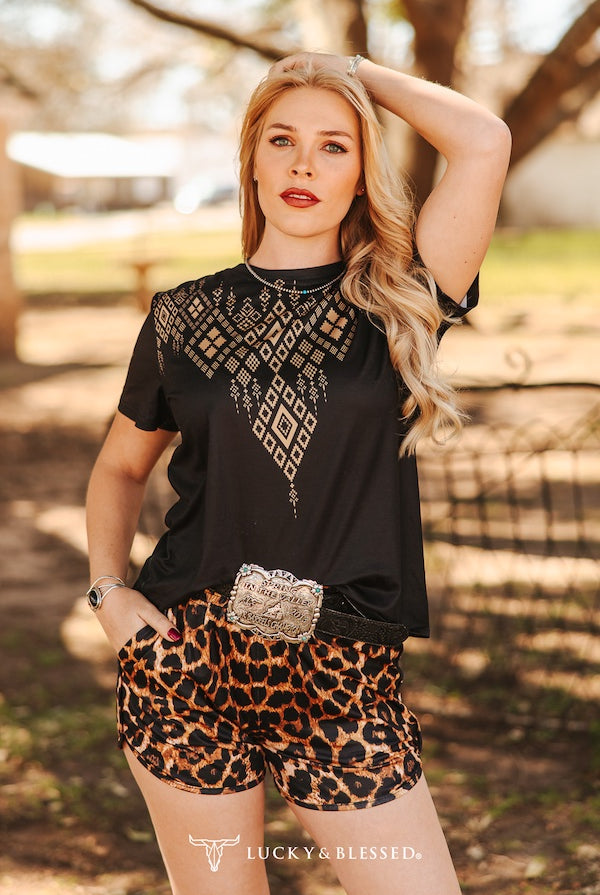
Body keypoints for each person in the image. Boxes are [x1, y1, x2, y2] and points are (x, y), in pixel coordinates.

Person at [85, 51, 511, 895]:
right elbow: (120, 467)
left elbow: (483, 140)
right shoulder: (181, 316)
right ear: (251, 159)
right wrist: (109, 592)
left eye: (333, 146)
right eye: (281, 140)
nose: (303, 165)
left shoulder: (402, 297)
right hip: (187, 664)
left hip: (345, 680)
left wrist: (346, 69)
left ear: (361, 174)